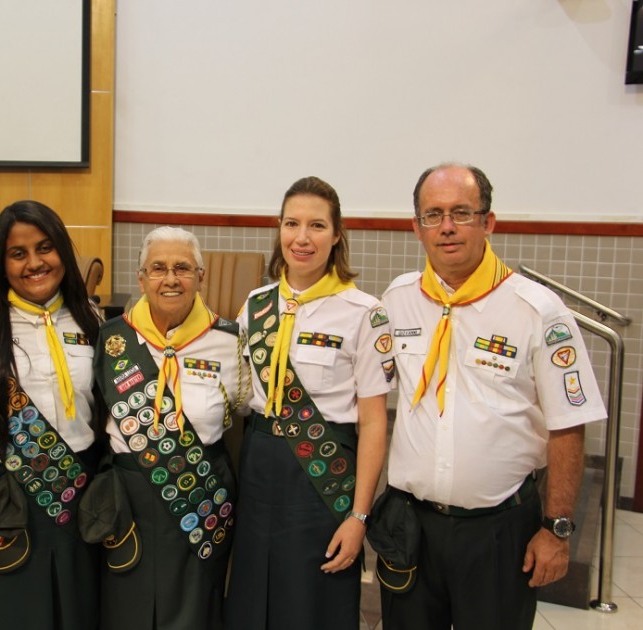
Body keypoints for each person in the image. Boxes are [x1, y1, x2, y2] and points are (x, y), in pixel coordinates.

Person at [380, 163, 607, 629]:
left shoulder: (537, 310)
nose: (446, 227)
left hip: (498, 530)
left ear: (489, 222)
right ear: (416, 227)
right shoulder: (398, 298)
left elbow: (568, 424)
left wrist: (557, 529)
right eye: (432, 214)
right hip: (411, 525)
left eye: (461, 213)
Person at [224, 176, 391, 629]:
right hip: (259, 465)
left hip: (323, 474)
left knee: (313, 599)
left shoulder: (364, 313)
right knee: (253, 592)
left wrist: (359, 515)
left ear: (337, 235)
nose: (302, 238)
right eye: (291, 223)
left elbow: (374, 423)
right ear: (278, 229)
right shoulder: (255, 305)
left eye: (317, 225)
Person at [0, 200, 103, 630]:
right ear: (2, 263)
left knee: (77, 613)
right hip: (1, 497)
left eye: (45, 248)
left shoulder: (94, 322)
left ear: (63, 253)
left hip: (79, 490)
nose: (35, 263)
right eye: (18, 253)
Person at [92, 226, 249, 630]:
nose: (171, 278)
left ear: (201, 275)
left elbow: (243, 412)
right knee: (127, 608)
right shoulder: (110, 340)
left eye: (183, 267)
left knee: (195, 610)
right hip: (129, 499)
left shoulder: (230, 341)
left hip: (201, 494)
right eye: (158, 268)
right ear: (141, 277)